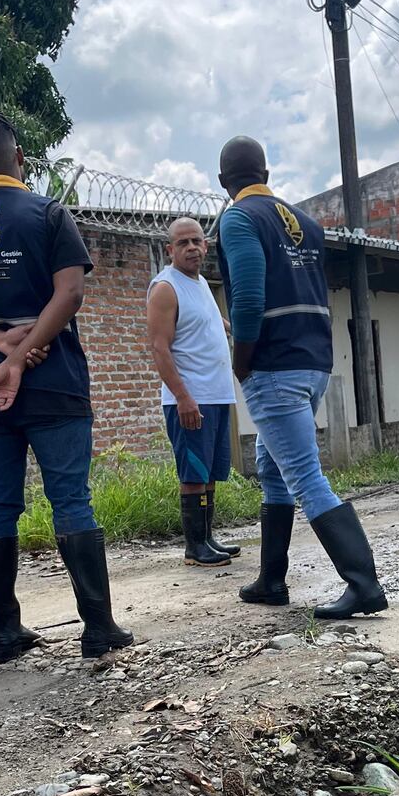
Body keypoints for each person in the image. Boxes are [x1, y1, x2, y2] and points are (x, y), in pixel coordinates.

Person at [0, 108, 133, 663]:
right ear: (19, 158)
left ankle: (6, 633)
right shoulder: (47, 214)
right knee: (70, 497)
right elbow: (69, 296)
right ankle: (97, 628)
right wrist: (23, 352)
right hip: (53, 380)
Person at [216, 135, 386, 618]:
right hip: (313, 361)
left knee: (304, 475)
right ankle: (271, 580)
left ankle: (364, 584)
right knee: (271, 466)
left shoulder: (238, 218)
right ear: (266, 176)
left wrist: (241, 361)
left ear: (224, 182)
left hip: (274, 365)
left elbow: (248, 296)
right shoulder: (307, 224)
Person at [146, 216, 241, 568]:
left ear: (206, 245)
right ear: (170, 249)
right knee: (193, 473)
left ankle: (208, 538)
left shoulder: (200, 283)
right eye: (183, 243)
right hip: (190, 399)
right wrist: (184, 397)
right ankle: (195, 547)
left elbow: (213, 323)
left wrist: (239, 329)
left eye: (197, 241)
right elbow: (159, 347)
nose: (191, 248)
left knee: (212, 472)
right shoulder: (166, 288)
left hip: (217, 395)